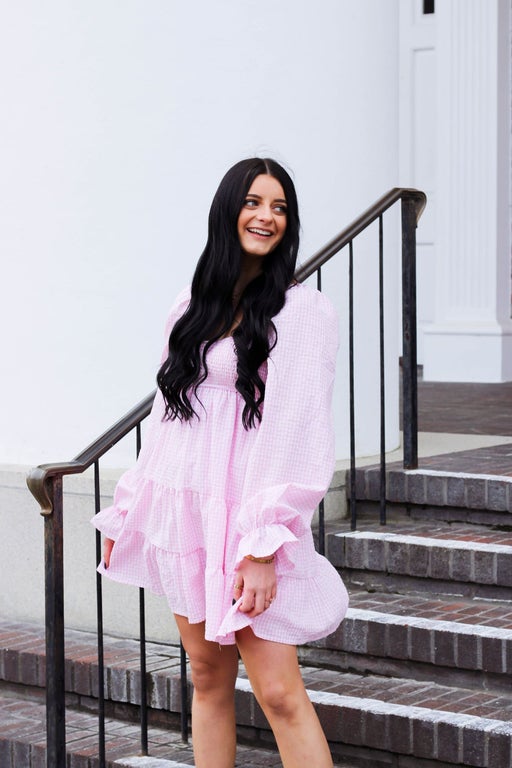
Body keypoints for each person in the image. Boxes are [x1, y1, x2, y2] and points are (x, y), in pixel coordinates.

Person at [92, 157, 349, 768]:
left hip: (247, 520)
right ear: (228, 210)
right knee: (207, 680)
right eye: (254, 202)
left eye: (280, 208)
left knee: (280, 693)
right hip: (187, 514)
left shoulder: (302, 312)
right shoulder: (193, 303)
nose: (266, 217)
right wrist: (130, 511)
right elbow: (167, 417)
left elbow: (297, 432)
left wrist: (261, 547)